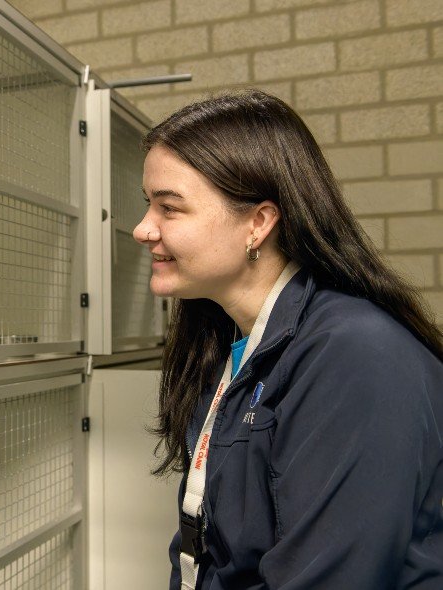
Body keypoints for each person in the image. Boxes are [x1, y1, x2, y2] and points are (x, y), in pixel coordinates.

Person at [132, 89, 443, 589]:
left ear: (258, 222)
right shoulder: (229, 341)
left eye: (169, 208)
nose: (142, 229)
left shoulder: (356, 355)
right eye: (148, 205)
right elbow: (204, 542)